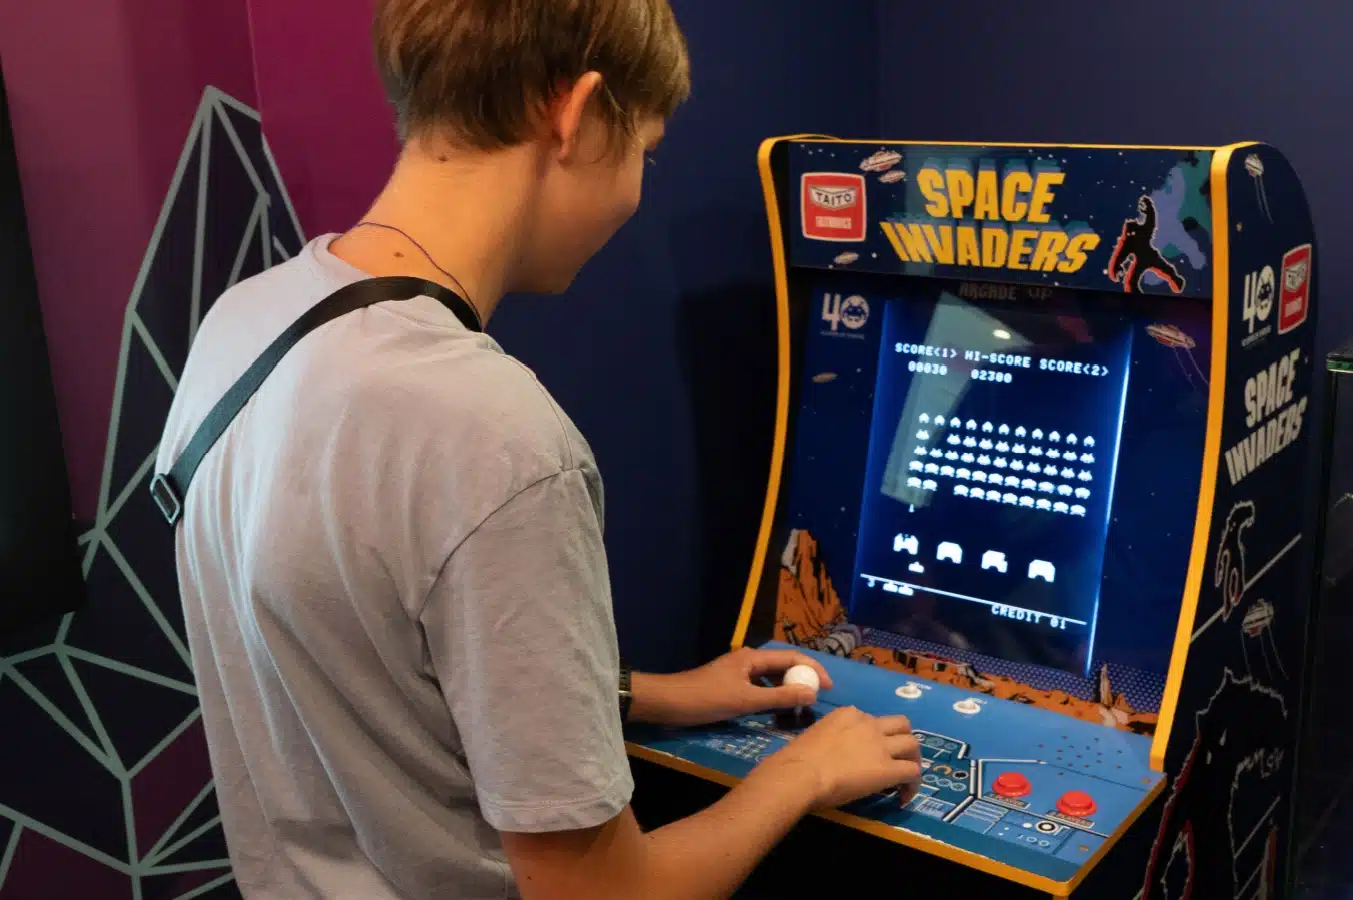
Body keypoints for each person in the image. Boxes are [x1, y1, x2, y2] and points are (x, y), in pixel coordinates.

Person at [153, 1, 922, 898]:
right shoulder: (495, 441)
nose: (638, 189)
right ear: (578, 112)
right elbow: (606, 894)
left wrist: (665, 695)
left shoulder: (244, 322)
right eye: (647, 147)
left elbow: (381, 672)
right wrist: (807, 773)